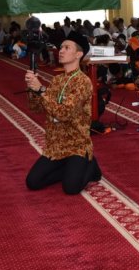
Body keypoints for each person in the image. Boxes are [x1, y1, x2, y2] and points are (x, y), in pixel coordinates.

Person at [24, 31, 101, 194]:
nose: (61, 50)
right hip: (56, 146)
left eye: (67, 47)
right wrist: (33, 89)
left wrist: (40, 89)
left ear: (79, 54)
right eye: (61, 47)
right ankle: (70, 168)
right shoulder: (57, 80)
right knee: (33, 182)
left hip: (76, 145)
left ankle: (91, 164)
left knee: (71, 188)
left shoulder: (83, 82)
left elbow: (64, 113)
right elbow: (37, 108)